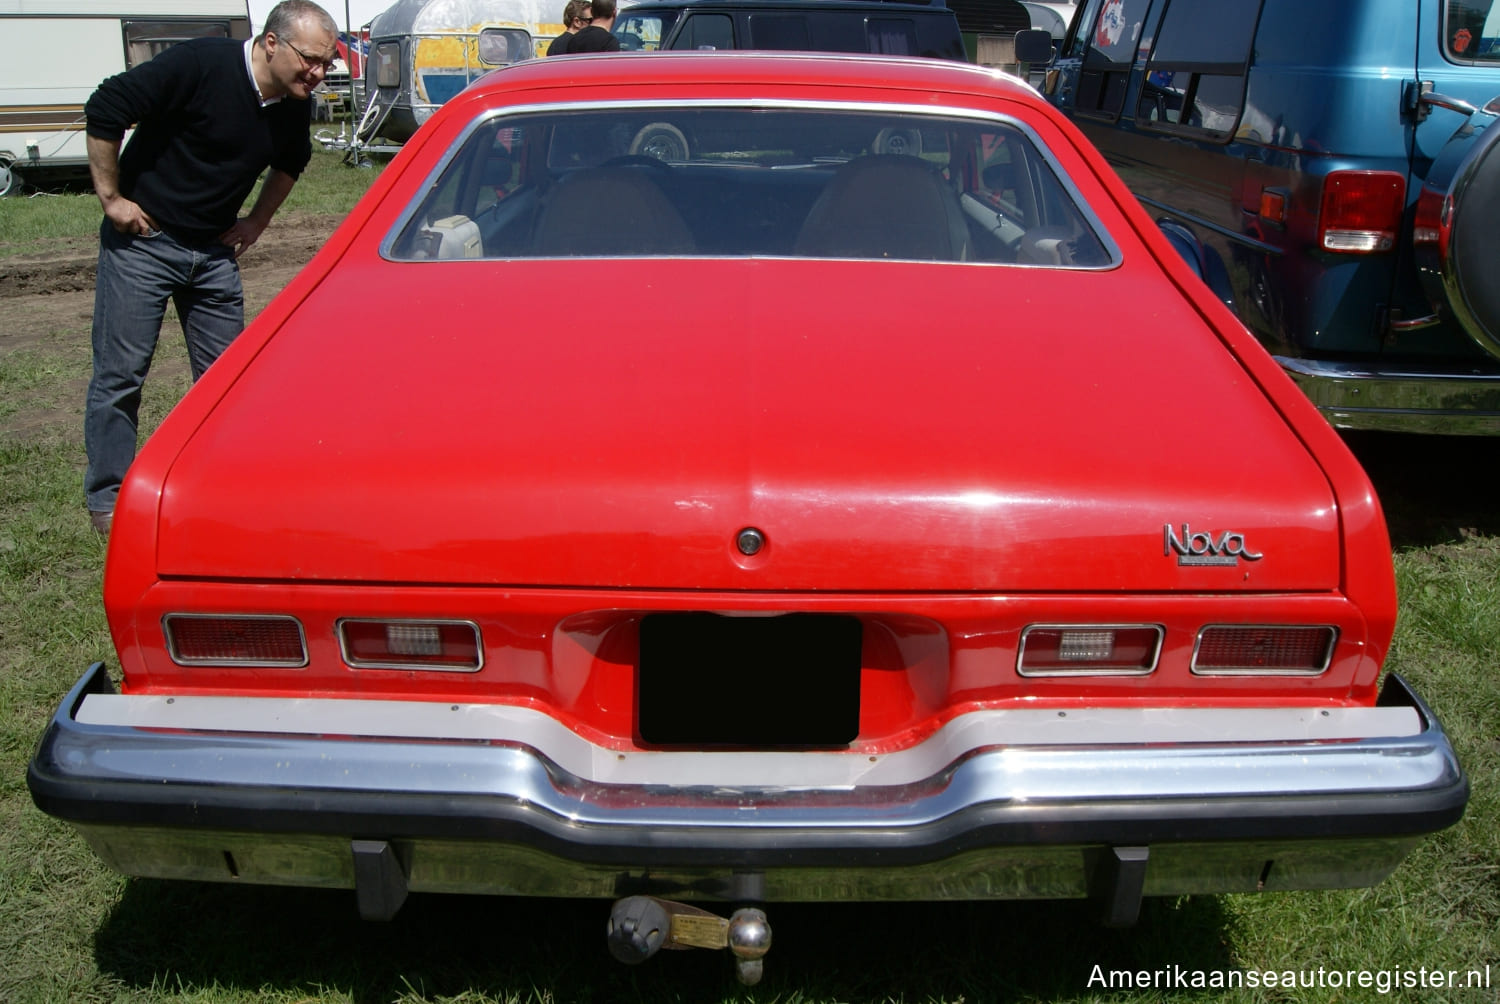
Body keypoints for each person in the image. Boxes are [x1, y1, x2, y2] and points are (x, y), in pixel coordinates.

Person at [81, 0, 338, 537]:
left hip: (214, 253)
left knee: (227, 382)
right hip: (144, 244)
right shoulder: (200, 65)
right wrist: (111, 199)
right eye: (310, 61)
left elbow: (292, 161)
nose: (317, 74)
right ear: (272, 43)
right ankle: (108, 499)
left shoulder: (292, 101)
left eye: (325, 64)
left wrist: (257, 222)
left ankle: (222, 487)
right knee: (121, 375)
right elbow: (107, 105)